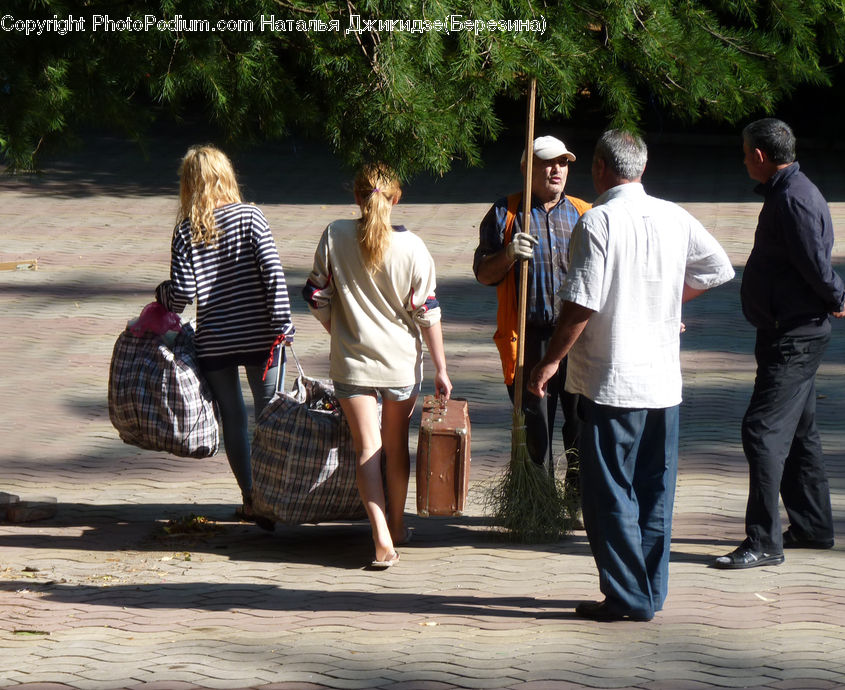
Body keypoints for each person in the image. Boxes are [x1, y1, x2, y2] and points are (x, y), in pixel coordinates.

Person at [529, 129, 735, 621]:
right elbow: (717, 268)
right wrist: (664, 302)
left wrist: (552, 359)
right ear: (641, 168)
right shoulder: (673, 214)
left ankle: (626, 596)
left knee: (608, 494)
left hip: (611, 381)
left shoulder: (597, 221)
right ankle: (649, 592)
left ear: (600, 167)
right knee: (654, 491)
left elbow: (582, 301)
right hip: (662, 383)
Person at [715, 119, 845, 569]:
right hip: (790, 330)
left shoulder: (794, 199)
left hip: (794, 337)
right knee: (799, 434)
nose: (743, 160)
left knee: (761, 432)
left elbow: (814, 264)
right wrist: (835, 296)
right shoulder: (790, 192)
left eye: (745, 153)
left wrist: (837, 296)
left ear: (760, 156)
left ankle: (763, 542)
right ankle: (812, 526)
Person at [303, 163, 452, 569]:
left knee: (367, 448)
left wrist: (337, 329)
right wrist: (441, 368)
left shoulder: (334, 235)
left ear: (356, 197)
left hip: (351, 363)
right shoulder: (413, 247)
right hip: (400, 366)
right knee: (395, 446)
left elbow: (316, 294)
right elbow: (427, 312)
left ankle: (381, 538)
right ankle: (398, 524)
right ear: (397, 198)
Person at [156, 145, 294, 529]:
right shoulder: (251, 217)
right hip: (261, 336)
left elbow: (181, 296)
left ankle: (250, 498)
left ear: (188, 184)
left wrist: (161, 294)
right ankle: (273, 496)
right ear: (226, 176)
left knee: (234, 417)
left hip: (215, 338)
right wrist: (282, 323)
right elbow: (273, 274)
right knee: (269, 415)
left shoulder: (186, 229)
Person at [473, 135, 593, 516]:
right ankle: (537, 504)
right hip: (526, 337)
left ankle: (576, 500)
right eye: (547, 162)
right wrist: (508, 254)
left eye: (563, 162)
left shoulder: (584, 212)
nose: (556, 170)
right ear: (528, 169)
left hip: (576, 336)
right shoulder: (505, 213)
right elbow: (482, 273)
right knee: (534, 424)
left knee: (579, 423)